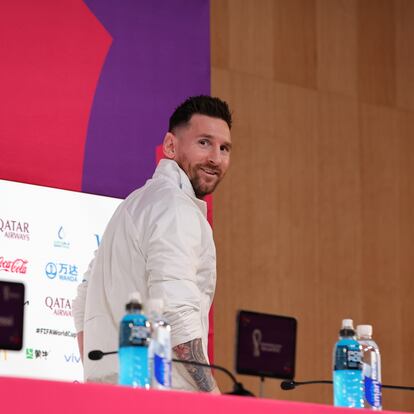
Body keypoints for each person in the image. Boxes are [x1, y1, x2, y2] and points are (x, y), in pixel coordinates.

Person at [72, 95, 232, 393]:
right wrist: (212, 396)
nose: (215, 157)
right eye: (204, 143)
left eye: (224, 148)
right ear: (171, 146)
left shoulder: (134, 204)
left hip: (111, 396)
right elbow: (176, 311)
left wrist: (104, 374)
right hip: (166, 400)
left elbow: (83, 299)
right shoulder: (175, 207)